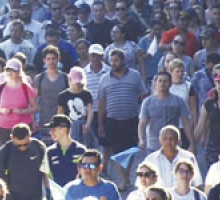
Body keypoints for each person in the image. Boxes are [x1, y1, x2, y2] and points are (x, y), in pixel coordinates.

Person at [97, 48, 148, 191]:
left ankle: (125, 178)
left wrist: (146, 117)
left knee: (130, 150)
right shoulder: (104, 79)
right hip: (112, 120)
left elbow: (144, 96)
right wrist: (101, 124)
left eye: (116, 60)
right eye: (111, 61)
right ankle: (124, 180)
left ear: (123, 61)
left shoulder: (135, 76)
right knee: (117, 152)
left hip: (131, 120)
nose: (113, 63)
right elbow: (101, 103)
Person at [138, 72, 195, 153]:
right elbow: (142, 123)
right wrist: (142, 140)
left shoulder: (178, 101)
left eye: (165, 81)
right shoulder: (147, 102)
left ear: (170, 84)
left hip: (172, 144)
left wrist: (192, 144)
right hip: (153, 145)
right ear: (155, 83)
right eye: (160, 81)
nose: (162, 84)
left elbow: (186, 123)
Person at [0, 123, 50, 200]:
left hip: (36, 197)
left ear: (30, 135)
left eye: (26, 144)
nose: (22, 148)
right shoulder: (5, 152)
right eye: (18, 145)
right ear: (11, 137)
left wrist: (48, 192)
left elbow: (46, 173)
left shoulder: (39, 147)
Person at [0, 58, 37, 144]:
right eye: (8, 70)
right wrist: (2, 110)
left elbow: (35, 107)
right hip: (4, 127)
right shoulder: (1, 87)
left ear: (18, 72)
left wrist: (22, 111)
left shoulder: (26, 88)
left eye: (13, 70)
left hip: (22, 127)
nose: (10, 73)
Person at [44, 114, 87, 187]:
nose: (50, 132)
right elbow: (46, 175)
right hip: (57, 195)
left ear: (64, 130)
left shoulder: (81, 150)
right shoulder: (49, 152)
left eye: (53, 129)